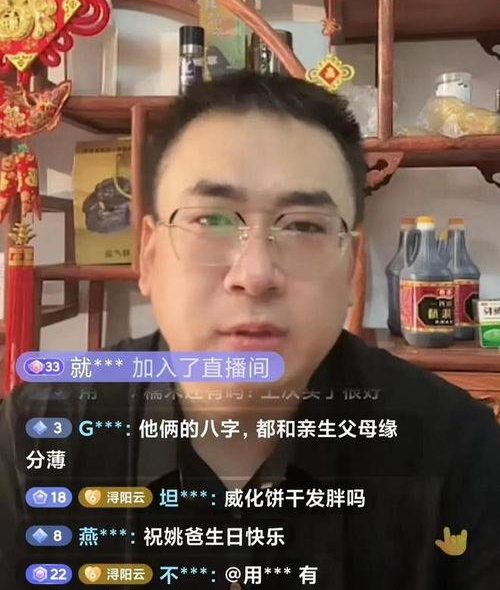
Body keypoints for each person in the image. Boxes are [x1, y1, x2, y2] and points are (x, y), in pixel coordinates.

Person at [1, 71, 499, 589]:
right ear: (149, 257)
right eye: (211, 220)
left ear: (352, 268)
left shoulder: (455, 448)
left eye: (304, 225)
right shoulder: (36, 434)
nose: (255, 274)